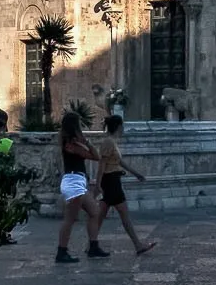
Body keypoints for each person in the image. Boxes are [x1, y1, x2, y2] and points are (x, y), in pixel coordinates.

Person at [87, 114, 155, 257]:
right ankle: (137, 245)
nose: (123, 128)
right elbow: (102, 164)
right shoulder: (108, 142)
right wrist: (98, 184)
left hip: (112, 180)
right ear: (118, 126)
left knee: (100, 215)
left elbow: (118, 162)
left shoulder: (112, 142)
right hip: (110, 182)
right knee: (124, 215)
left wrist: (136, 173)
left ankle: (92, 245)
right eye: (122, 125)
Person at [53, 111, 96, 263]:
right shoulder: (73, 143)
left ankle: (93, 246)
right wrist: (87, 141)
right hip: (74, 182)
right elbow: (95, 156)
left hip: (76, 181)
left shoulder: (67, 140)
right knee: (70, 219)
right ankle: (61, 251)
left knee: (94, 212)